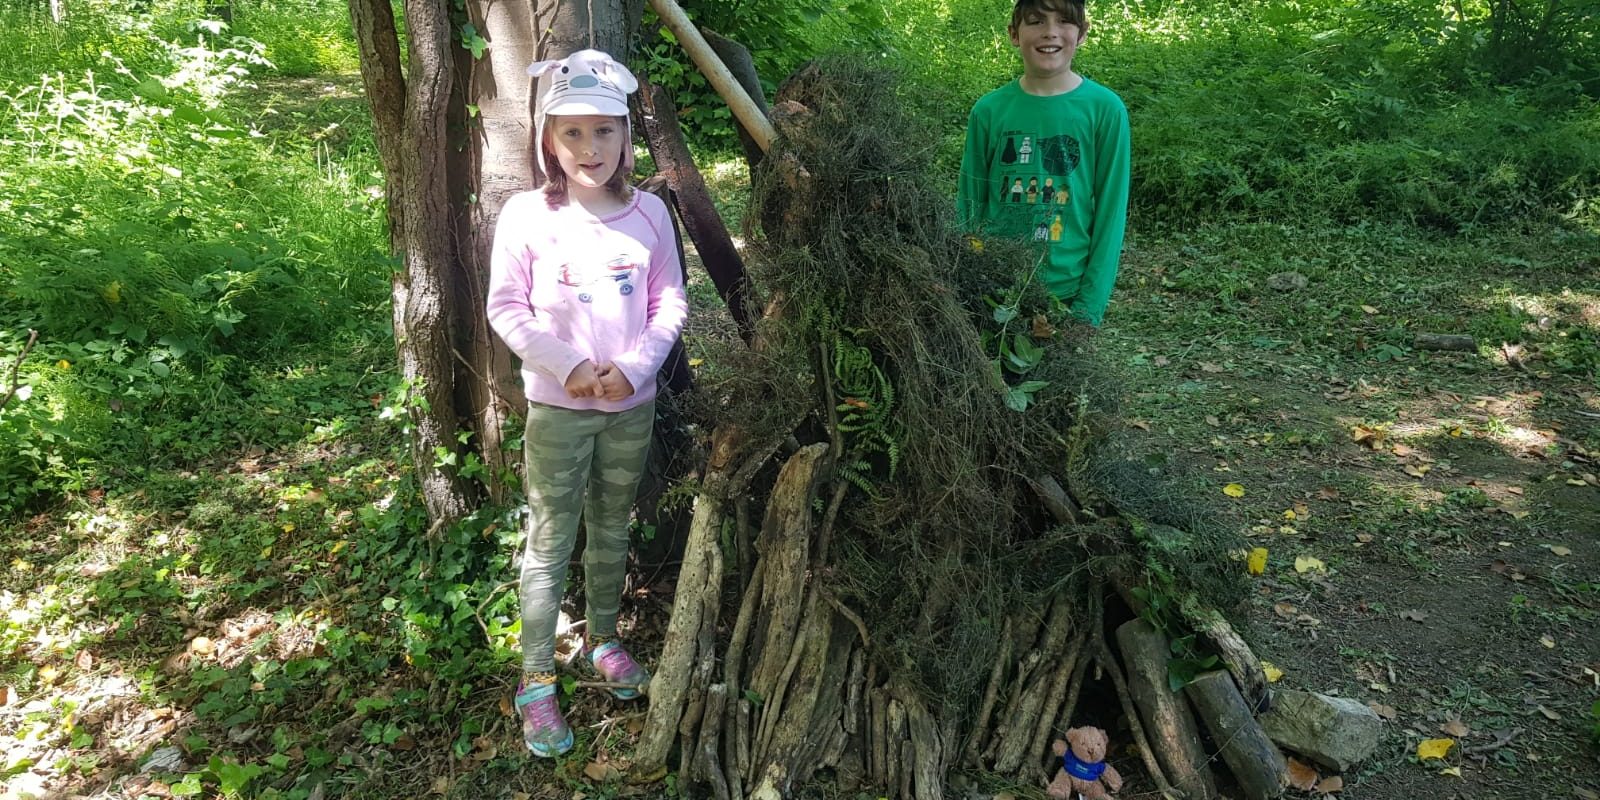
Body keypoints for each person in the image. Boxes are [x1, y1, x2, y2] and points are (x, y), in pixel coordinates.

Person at [486, 49, 688, 758]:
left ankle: (604, 637)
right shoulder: (526, 215)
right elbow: (506, 306)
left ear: (627, 137)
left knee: (612, 525)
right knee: (550, 539)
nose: (588, 148)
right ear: (547, 139)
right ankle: (536, 678)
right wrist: (569, 365)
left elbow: (669, 301)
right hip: (558, 410)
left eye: (604, 131)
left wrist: (633, 369)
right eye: (570, 132)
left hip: (630, 407)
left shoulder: (651, 214)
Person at [956, 0, 1131, 330]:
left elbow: (1111, 213)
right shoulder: (989, 111)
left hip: (1065, 296)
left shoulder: (1105, 109)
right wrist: (966, 285)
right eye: (1035, 22)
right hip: (993, 292)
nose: (1050, 32)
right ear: (1013, 34)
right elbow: (969, 207)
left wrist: (1087, 311)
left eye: (1064, 21)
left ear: (1082, 34)